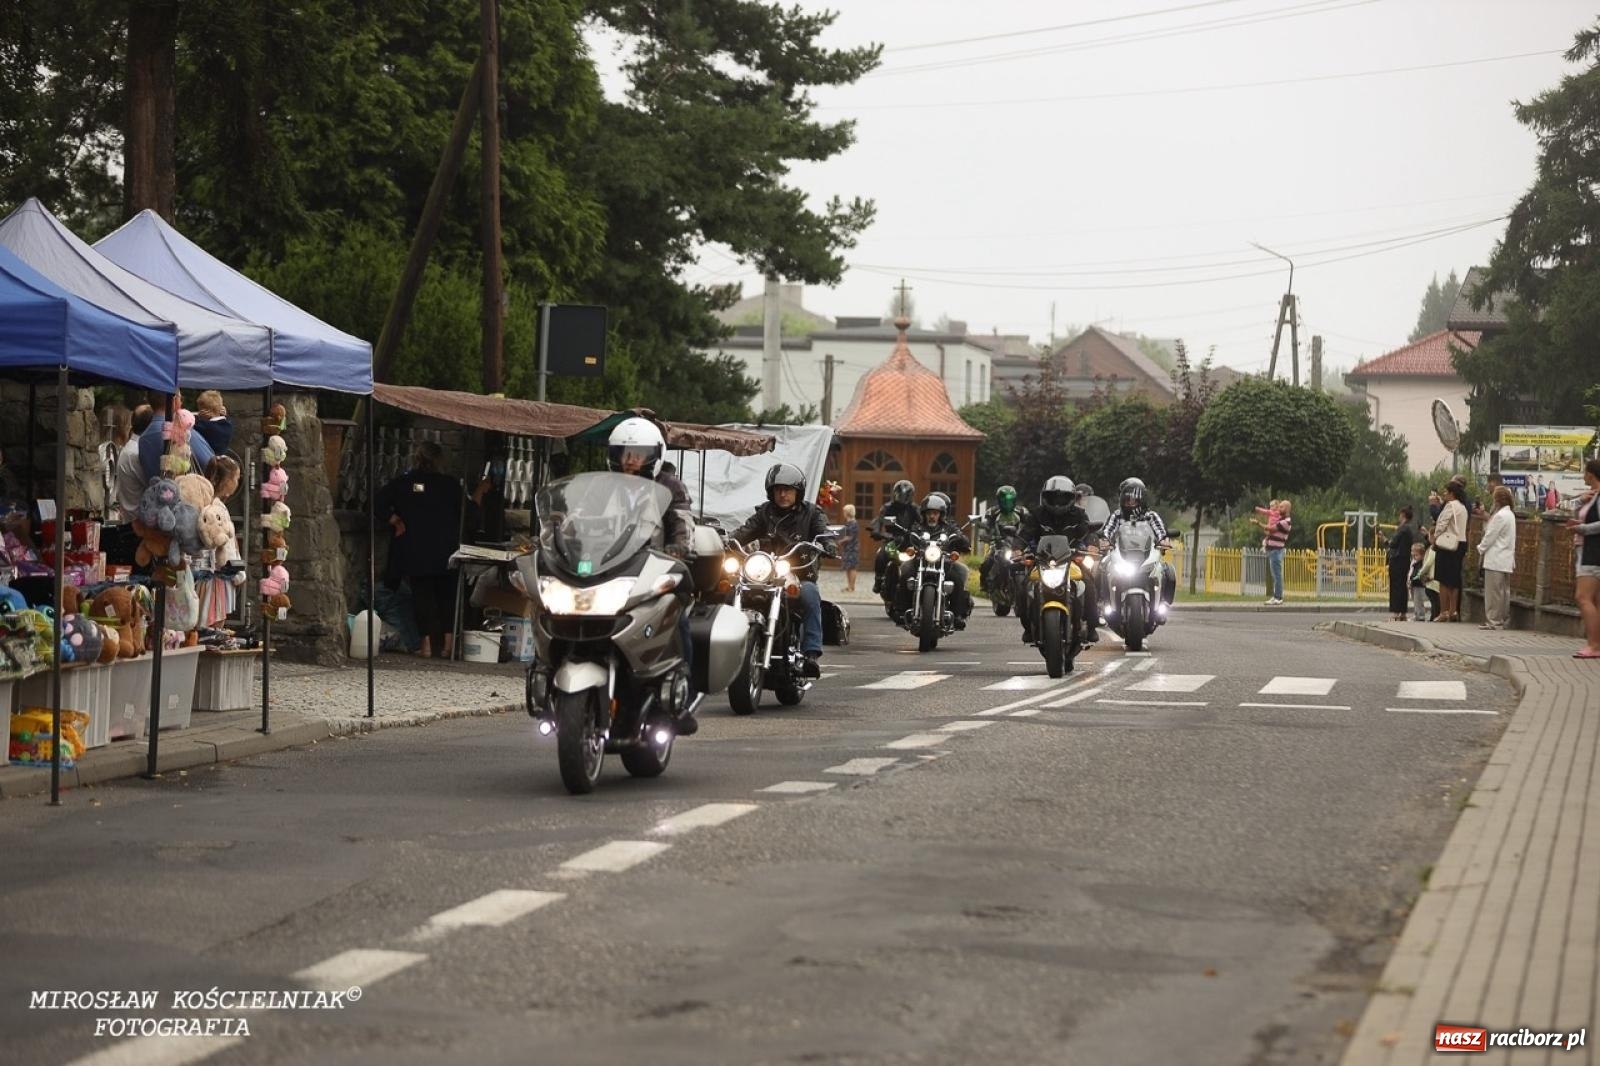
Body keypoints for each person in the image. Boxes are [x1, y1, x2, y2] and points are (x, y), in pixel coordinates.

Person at [727, 463, 835, 675]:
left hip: (798, 571)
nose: (783, 494)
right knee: (730, 590)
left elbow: (824, 531)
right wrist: (727, 540)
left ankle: (811, 653)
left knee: (810, 594)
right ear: (771, 492)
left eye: (788, 490)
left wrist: (828, 543)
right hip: (765, 573)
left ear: (798, 492)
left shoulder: (812, 513)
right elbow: (744, 531)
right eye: (778, 490)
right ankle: (723, 645)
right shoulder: (764, 513)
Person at [376, 441, 467, 660]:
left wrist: (394, 520)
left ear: (417, 459)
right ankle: (448, 645)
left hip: (416, 550)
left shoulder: (404, 483)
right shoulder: (451, 485)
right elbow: (469, 513)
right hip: (446, 549)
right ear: (440, 461)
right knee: (447, 596)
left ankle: (425, 645)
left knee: (422, 597)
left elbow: (375, 502)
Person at [1020, 476, 1093, 642]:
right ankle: (1028, 628)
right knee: (1024, 587)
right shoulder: (1037, 514)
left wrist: (1093, 543)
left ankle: (1092, 625)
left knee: (1089, 583)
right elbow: (1025, 534)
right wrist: (1017, 547)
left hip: (1072, 559)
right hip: (1043, 560)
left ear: (1071, 498)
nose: (1058, 502)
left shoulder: (1079, 514)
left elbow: (1089, 532)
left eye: (1062, 498)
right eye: (1054, 497)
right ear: (1046, 497)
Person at [894, 494, 972, 627]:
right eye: (929, 513)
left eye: (935, 513)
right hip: (920, 560)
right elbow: (907, 537)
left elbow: (961, 537)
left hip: (944, 562)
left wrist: (961, 539)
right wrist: (902, 540)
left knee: (958, 577)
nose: (932, 516)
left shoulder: (949, 527)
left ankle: (958, 614)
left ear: (941, 514)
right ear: (924, 514)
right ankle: (901, 611)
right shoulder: (917, 527)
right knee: (905, 573)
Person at [1100, 476, 1176, 610]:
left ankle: (1163, 602)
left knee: (1167, 571)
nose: (1130, 504)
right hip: (1121, 555)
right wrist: (1104, 540)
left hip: (1146, 554)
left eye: (1134, 501)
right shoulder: (1117, 516)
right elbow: (1108, 530)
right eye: (1127, 500)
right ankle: (1102, 602)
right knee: (1100, 567)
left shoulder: (1151, 516)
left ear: (1142, 501)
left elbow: (1160, 530)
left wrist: (1164, 539)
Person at [1564, 458, 1600, 659]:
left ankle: (1594, 645)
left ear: (1591, 474)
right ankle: (1595, 644)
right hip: (1589, 551)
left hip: (1593, 554)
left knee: (1583, 597)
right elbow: (1581, 513)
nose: (1583, 476)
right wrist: (1581, 501)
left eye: (1585, 472)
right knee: (1595, 600)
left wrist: (1581, 529)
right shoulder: (1593, 497)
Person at [138, 395, 216, 481]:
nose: (182, 402)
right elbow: (212, 465)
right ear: (175, 401)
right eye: (180, 398)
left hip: (157, 491)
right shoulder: (183, 432)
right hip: (187, 491)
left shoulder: (143, 439)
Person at [1476, 485, 1516, 630]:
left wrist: (1480, 548)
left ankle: (1493, 621)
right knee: (1503, 592)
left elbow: (1490, 536)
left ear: (1497, 500)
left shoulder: (1499, 516)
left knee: (1493, 593)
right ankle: (1503, 619)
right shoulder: (1510, 515)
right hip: (1506, 560)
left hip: (1495, 559)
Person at [871, 479, 919, 596]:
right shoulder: (887, 507)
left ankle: (919, 582)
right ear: (895, 493)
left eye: (905, 495)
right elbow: (878, 520)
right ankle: (879, 579)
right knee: (881, 555)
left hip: (910, 541)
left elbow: (922, 522)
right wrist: (876, 531)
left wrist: (921, 534)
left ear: (911, 495)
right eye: (899, 494)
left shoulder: (915, 509)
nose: (902, 497)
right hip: (892, 539)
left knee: (922, 558)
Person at [978, 484, 1027, 596]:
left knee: (1031, 560)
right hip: (998, 543)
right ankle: (984, 583)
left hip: (1018, 543)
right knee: (987, 562)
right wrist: (985, 535)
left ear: (1014, 500)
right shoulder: (992, 512)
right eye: (1004, 500)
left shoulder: (1022, 511)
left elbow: (1030, 525)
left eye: (1010, 500)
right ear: (999, 500)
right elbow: (986, 526)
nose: (1007, 503)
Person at [1432, 481, 1470, 622]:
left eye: (1446, 492)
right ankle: (1454, 611)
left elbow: (1442, 523)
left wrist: (1435, 537)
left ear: (1452, 493)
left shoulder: (1450, 506)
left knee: (1443, 579)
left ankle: (1444, 611)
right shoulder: (1463, 508)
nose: (1444, 494)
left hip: (1448, 544)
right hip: (1461, 543)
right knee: (1454, 580)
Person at [1386, 505, 1418, 621]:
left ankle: (1395, 612)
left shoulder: (1402, 529)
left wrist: (1386, 540)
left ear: (1403, 516)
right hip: (1404, 560)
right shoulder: (1409, 529)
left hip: (1397, 560)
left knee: (1395, 586)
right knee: (1402, 586)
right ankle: (1402, 612)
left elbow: (1393, 543)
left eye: (1400, 515)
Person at [1259, 498, 1292, 605]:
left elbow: (1271, 529)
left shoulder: (1286, 522)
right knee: (1275, 575)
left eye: (1281, 506)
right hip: (1273, 550)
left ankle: (1278, 597)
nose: (1279, 508)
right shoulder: (1280, 520)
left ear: (1286, 508)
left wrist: (1258, 524)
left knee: (1277, 575)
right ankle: (1275, 596)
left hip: (1276, 551)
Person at [191, 390, 234, 456]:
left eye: (200, 410)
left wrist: (200, 418)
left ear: (206, 412)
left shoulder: (205, 426)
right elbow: (226, 420)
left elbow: (189, 425)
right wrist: (223, 415)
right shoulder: (228, 425)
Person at [1408, 539, 1438, 622]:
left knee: (1418, 601)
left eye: (1416, 555)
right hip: (1414, 584)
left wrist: (1413, 579)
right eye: (1413, 555)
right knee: (1415, 601)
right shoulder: (1414, 563)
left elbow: (1418, 574)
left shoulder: (1421, 564)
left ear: (1422, 555)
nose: (1414, 557)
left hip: (1418, 584)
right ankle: (1417, 614)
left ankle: (1420, 615)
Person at [838, 503, 861, 593]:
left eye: (844, 511)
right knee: (848, 567)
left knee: (852, 567)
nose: (843, 513)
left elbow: (850, 537)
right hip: (847, 548)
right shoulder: (848, 523)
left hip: (853, 548)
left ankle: (852, 587)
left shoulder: (853, 523)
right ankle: (849, 586)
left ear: (848, 512)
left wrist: (840, 541)